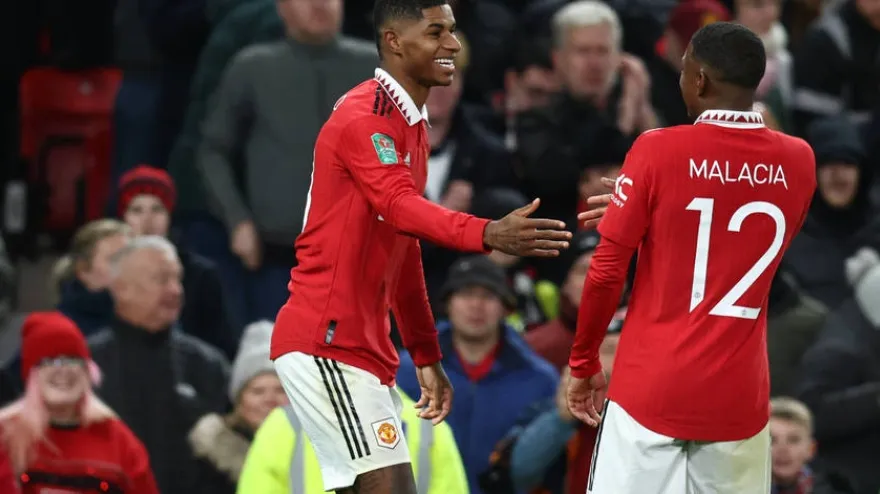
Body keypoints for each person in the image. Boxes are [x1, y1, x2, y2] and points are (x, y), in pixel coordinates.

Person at [270, 1, 573, 493]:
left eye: (451, 30)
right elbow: (398, 205)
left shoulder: (409, 125)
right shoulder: (365, 117)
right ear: (393, 41)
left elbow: (403, 254)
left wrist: (427, 355)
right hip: (325, 341)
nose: (451, 43)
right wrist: (485, 233)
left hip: (361, 348)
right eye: (435, 32)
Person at [565, 21, 816, 493]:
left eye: (683, 70)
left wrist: (583, 362)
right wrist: (647, 206)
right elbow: (734, 230)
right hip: (738, 398)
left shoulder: (658, 149)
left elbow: (605, 273)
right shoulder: (799, 160)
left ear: (699, 80)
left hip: (651, 388)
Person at [0, 312, 158, 494]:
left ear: (88, 371)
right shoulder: (6, 437)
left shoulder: (118, 440)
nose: (64, 370)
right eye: (51, 360)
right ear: (32, 374)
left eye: (72, 359)